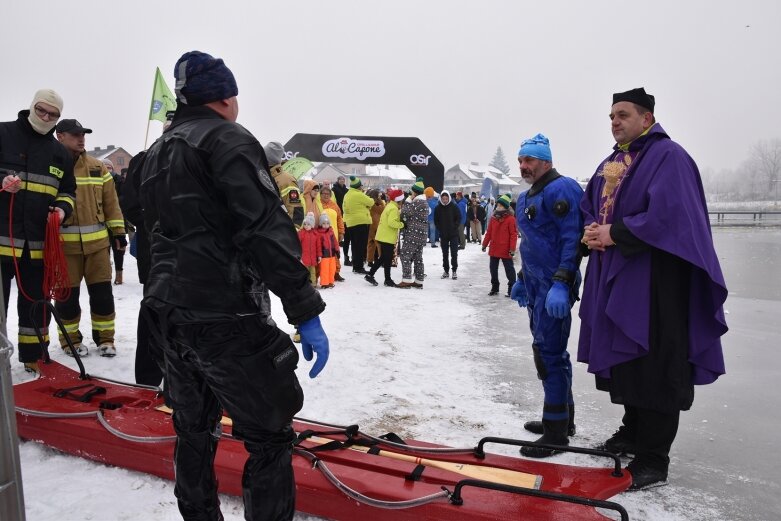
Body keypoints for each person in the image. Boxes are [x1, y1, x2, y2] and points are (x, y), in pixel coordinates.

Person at [138, 50, 329, 520]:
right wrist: (304, 309)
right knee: (269, 437)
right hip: (223, 314)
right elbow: (264, 227)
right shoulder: (226, 139)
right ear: (225, 97)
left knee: (193, 427)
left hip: (169, 312)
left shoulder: (158, 151)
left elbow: (149, 230)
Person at [578, 88, 727, 490]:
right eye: (611, 115)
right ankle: (632, 430)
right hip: (617, 276)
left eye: (623, 114)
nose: (614, 121)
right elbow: (591, 204)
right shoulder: (613, 160)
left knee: (656, 362)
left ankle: (653, 458)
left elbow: (672, 216)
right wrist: (591, 230)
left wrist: (615, 232)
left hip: (656, 282)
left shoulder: (668, 157)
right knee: (627, 357)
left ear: (647, 118)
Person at [509, 134, 583, 458]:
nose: (524, 166)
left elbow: (572, 239)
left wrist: (563, 282)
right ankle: (561, 419)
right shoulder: (524, 198)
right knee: (546, 352)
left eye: (530, 160)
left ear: (546, 161)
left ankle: (556, 434)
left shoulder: (562, 189)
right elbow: (531, 243)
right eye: (521, 160)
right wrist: (523, 278)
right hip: (536, 285)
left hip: (555, 285)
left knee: (549, 355)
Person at [0, 89, 76, 373]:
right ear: (31, 106)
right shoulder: (3, 133)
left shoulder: (59, 153)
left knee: (37, 305)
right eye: (41, 110)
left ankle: (34, 356)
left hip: (38, 245)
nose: (46, 117)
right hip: (1, 241)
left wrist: (61, 209)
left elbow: (68, 191)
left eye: (53, 114)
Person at [53, 119, 125, 358]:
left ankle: (106, 339)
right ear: (60, 136)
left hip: (98, 247)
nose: (81, 139)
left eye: (83, 134)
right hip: (64, 250)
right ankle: (69, 340)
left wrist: (118, 233)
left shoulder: (97, 167)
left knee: (103, 296)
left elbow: (111, 204)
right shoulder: (50, 166)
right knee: (67, 299)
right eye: (75, 135)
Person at [364, 188, 404, 287]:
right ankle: (384, 278)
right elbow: (392, 222)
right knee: (386, 258)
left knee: (384, 258)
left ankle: (374, 275)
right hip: (387, 237)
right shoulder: (394, 208)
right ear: (399, 200)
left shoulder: (389, 205)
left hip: (383, 235)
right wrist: (402, 224)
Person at [482, 194, 518, 296]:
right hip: (494, 248)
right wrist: (484, 244)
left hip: (505, 249)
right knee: (493, 269)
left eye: (501, 205)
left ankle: (512, 287)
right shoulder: (493, 218)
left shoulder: (510, 219)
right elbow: (489, 232)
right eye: (498, 205)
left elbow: (513, 235)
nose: (498, 207)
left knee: (509, 269)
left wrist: (512, 249)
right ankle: (495, 287)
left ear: (506, 207)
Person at [397, 178, 428, 289]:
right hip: (421, 235)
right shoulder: (423, 202)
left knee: (405, 255)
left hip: (413, 233)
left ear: (415, 192)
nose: (411, 194)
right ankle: (419, 281)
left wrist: (408, 200)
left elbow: (405, 212)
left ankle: (406, 280)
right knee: (418, 258)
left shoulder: (418, 202)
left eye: (412, 192)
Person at [265, 141, 304, 229]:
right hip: (266, 230)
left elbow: (296, 209)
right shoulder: (263, 176)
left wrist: (292, 232)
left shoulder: (287, 180)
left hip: (280, 231)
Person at [102, 158, 128, 285]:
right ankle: (106, 273)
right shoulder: (98, 182)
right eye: (105, 167)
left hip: (117, 219)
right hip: (101, 222)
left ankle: (119, 273)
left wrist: (115, 202)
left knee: (118, 249)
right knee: (103, 249)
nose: (107, 170)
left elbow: (126, 197)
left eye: (109, 167)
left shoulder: (120, 181)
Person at [342, 175, 373, 274]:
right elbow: (371, 202)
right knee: (361, 245)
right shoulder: (359, 194)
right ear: (359, 186)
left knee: (355, 245)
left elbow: (344, 208)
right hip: (361, 222)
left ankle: (355, 265)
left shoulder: (347, 194)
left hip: (351, 223)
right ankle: (359, 267)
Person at [319, 185, 345, 282]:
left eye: (328, 194)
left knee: (335, 253)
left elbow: (339, 219)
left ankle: (336, 273)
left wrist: (341, 231)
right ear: (320, 195)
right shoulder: (318, 204)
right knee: (323, 255)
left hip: (334, 234)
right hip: (322, 235)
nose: (326, 195)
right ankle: (322, 274)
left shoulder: (334, 205)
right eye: (324, 194)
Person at [433, 190, 461, 279]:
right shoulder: (438, 208)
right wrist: (440, 228)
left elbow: (459, 217)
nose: (445, 200)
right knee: (445, 253)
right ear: (441, 198)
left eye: (446, 198)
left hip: (453, 234)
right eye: (443, 199)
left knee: (454, 253)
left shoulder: (454, 206)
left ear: (449, 198)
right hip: (443, 235)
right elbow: (436, 220)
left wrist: (455, 226)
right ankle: (446, 270)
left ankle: (454, 271)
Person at [317, 213, 339, 289]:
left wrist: (337, 250)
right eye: (324, 223)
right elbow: (318, 245)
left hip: (332, 254)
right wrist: (319, 254)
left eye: (327, 223)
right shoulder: (319, 233)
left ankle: (330, 282)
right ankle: (324, 283)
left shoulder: (331, 232)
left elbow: (335, 241)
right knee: (324, 270)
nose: (326, 225)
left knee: (332, 269)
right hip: (324, 255)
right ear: (320, 224)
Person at [298, 212, 320, 285]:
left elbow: (318, 246)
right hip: (304, 258)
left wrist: (319, 256)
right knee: (305, 272)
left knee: (313, 272)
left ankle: (313, 284)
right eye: (305, 224)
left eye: (308, 224)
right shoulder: (301, 233)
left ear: (312, 225)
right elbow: (297, 244)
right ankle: (306, 285)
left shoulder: (315, 234)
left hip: (313, 258)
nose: (306, 226)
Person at [365, 188, 385, 267]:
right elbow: (383, 209)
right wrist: (381, 201)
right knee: (379, 244)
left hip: (369, 225)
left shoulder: (368, 204)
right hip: (376, 226)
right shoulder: (376, 206)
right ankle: (381, 260)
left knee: (370, 243)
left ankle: (369, 260)